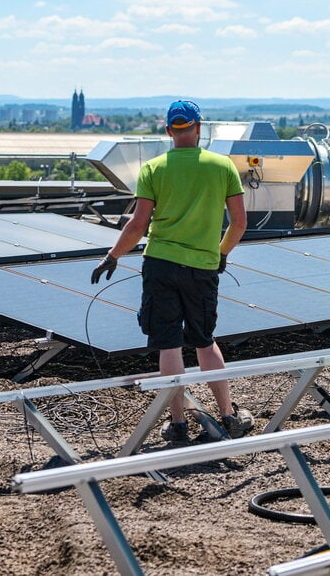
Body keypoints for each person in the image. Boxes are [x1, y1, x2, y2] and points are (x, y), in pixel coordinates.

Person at [91, 99, 253, 441]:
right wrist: (221, 253)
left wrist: (113, 256)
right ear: (198, 128)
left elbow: (137, 225)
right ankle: (228, 416)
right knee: (205, 344)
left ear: (168, 131)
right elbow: (239, 223)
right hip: (202, 268)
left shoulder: (154, 169)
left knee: (168, 346)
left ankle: (178, 423)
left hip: (160, 265)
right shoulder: (222, 166)